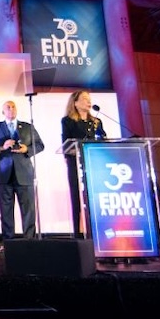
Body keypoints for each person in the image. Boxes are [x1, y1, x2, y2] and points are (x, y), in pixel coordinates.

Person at [0, 100, 45, 250]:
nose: (11, 109)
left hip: (24, 174)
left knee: (28, 210)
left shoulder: (27, 127)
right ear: (3, 111)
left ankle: (29, 241)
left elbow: (40, 145)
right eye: (8, 107)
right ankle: (8, 243)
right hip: (4, 174)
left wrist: (27, 150)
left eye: (13, 107)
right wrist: (1, 147)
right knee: (5, 211)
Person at [59, 90, 105, 237]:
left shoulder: (96, 122)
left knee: (95, 197)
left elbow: (102, 140)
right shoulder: (68, 121)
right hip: (76, 164)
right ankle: (78, 233)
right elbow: (66, 144)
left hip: (94, 164)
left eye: (89, 99)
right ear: (75, 102)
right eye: (84, 99)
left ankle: (98, 232)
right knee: (77, 197)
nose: (88, 101)